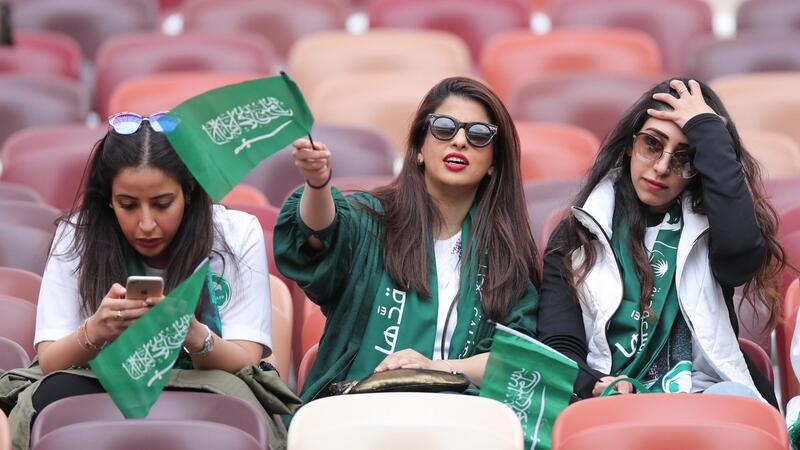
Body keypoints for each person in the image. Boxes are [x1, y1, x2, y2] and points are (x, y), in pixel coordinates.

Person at [0, 112, 297, 449]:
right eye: (128, 205)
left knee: (245, 410)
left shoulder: (236, 234)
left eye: (162, 204)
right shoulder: (75, 235)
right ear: (108, 198)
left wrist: (193, 334)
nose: (146, 224)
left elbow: (246, 359)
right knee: (48, 397)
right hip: (98, 379)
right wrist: (95, 331)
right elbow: (51, 360)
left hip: (208, 381)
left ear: (188, 191)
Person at [274, 76, 539, 403]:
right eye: (444, 128)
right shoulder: (372, 221)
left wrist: (434, 368)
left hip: (458, 412)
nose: (459, 141)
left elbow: (518, 360)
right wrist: (318, 184)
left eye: (479, 134)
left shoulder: (504, 253)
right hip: (357, 408)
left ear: (493, 163)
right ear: (419, 149)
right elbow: (319, 233)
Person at [537, 78, 785, 407]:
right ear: (630, 145)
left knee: (737, 403)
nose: (662, 167)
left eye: (685, 157)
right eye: (652, 144)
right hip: (610, 399)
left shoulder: (712, 227)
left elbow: (741, 256)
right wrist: (594, 384)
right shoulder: (577, 234)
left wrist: (708, 132)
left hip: (702, 395)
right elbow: (559, 343)